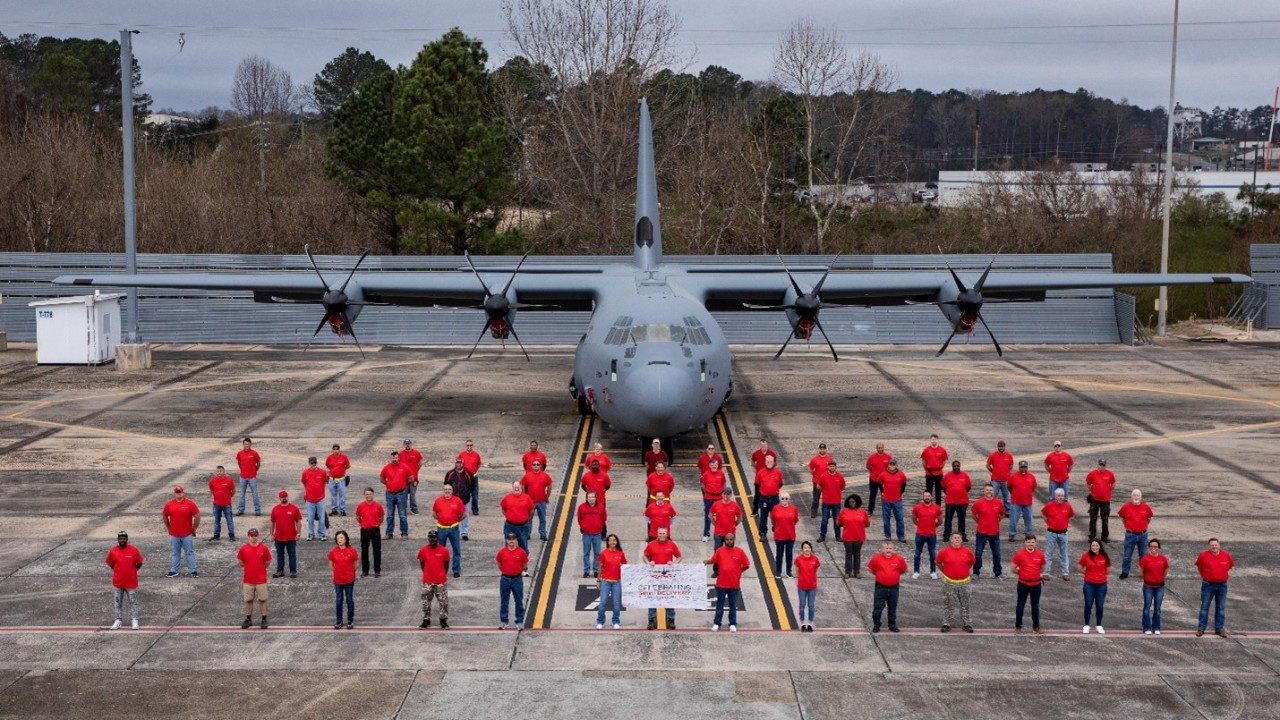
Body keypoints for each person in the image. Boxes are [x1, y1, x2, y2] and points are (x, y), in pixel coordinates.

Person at [707, 532, 750, 632]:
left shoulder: (740, 552)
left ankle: (732, 623)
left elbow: (747, 564)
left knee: (732, 605)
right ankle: (717, 623)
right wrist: (706, 562)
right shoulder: (720, 551)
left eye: (731, 539)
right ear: (724, 540)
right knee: (719, 605)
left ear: (734, 539)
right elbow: (713, 560)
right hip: (721, 584)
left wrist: (739, 572)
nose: (729, 541)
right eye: (727, 539)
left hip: (733, 584)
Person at [643, 527, 682, 629]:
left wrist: (673, 563)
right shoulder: (651, 544)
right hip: (654, 576)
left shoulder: (671, 544)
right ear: (657, 533)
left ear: (667, 533)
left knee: (669, 598)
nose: (662, 535)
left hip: (667, 577)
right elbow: (644, 556)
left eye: (664, 533)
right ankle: (651, 620)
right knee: (652, 598)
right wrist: (648, 563)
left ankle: (671, 619)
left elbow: (679, 557)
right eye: (660, 533)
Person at [936, 532, 976, 632]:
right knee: (948, 603)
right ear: (950, 540)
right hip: (949, 582)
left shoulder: (967, 552)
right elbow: (938, 562)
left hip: (964, 583)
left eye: (959, 538)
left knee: (966, 603)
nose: (957, 539)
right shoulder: (944, 552)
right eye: (954, 538)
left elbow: (971, 563)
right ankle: (946, 623)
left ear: (962, 540)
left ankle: (967, 624)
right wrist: (945, 571)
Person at [1195, 538, 1234, 637]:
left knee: (1220, 608)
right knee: (1204, 607)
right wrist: (1204, 577)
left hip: (1222, 585)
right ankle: (1201, 628)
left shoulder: (1226, 555)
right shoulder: (1203, 555)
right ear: (1209, 546)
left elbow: (1229, 566)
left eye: (1215, 545)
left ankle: (1219, 629)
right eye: (1212, 545)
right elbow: (1199, 567)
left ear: (1219, 545)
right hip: (1208, 585)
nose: (1214, 546)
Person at [105, 530, 143, 630]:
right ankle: (118, 620)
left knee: (133, 602)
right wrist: (118, 571)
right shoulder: (113, 551)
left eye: (124, 538)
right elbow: (110, 563)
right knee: (118, 602)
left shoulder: (133, 550)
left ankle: (135, 620)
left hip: (131, 582)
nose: (122, 540)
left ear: (127, 539)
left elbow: (139, 563)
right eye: (120, 538)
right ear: (118, 539)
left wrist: (132, 571)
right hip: (118, 582)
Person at [867, 540, 908, 632]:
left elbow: (904, 570)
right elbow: (870, 569)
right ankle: (876, 625)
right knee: (878, 608)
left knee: (892, 607)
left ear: (893, 549)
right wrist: (880, 576)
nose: (888, 550)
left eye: (890, 548)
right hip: (880, 588)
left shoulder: (899, 559)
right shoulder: (876, 558)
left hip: (894, 588)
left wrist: (893, 576)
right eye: (886, 548)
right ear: (883, 549)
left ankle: (892, 625)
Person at [1011, 535, 1047, 634]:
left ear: (1035, 543)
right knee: (1020, 605)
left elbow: (1043, 568)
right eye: (1029, 542)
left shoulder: (1040, 554)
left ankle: (1036, 627)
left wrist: (1034, 573)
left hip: (1036, 585)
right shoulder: (1019, 554)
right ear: (1025, 543)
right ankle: (1018, 626)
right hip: (1023, 584)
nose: (1030, 544)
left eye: (1032, 542)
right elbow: (1013, 568)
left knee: (1035, 606)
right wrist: (1023, 573)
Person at [236, 528, 271, 629]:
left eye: (255, 535)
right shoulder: (243, 549)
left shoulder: (264, 548)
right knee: (248, 600)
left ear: (258, 536)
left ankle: (264, 619)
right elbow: (240, 562)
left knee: (263, 599)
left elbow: (267, 562)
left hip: (261, 580)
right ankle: (248, 619)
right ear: (248, 536)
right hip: (248, 580)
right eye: (252, 535)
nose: (254, 537)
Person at [162, 486, 200, 578]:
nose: (179, 494)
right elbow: (164, 516)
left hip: (187, 534)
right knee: (175, 553)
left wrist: (194, 528)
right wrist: (169, 528)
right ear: (174, 494)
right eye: (177, 492)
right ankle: (174, 571)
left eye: (180, 492)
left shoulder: (190, 504)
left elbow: (197, 516)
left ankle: (193, 570)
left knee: (189, 552)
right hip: (174, 534)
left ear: (183, 493)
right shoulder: (169, 504)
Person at [1117, 489, 1154, 579]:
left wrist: (1143, 527)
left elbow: (1149, 518)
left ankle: (1144, 573)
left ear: (1141, 497)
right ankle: (1125, 572)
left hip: (1143, 535)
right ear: (1131, 497)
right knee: (1127, 555)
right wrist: (1128, 526)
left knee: (1144, 555)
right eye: (1134, 495)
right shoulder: (1126, 506)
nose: (1136, 497)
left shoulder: (1146, 507)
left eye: (1138, 495)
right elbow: (1122, 518)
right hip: (1130, 535)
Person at [970, 484, 1006, 579]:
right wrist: (979, 521)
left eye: (990, 490)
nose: (989, 492)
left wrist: (996, 521)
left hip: (994, 532)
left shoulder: (999, 502)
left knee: (997, 554)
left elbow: (1002, 514)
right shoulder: (978, 503)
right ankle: (976, 573)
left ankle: (998, 573)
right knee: (978, 554)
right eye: (987, 490)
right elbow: (973, 514)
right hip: (981, 532)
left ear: (993, 491)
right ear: (984, 491)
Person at [417, 529, 451, 629]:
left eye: (434, 537)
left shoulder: (444, 551)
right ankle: (426, 620)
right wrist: (428, 575)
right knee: (425, 602)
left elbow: (446, 566)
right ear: (428, 538)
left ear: (437, 538)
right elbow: (422, 564)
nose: (432, 539)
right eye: (430, 537)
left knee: (443, 602)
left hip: (440, 582)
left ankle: (443, 621)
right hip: (427, 581)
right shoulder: (423, 550)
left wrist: (441, 575)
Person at [432, 483, 466, 578]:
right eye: (446, 489)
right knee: (440, 551)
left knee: (456, 550)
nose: (447, 491)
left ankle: (456, 570)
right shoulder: (438, 501)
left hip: (454, 529)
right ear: (443, 490)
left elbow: (463, 514)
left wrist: (456, 521)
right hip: (441, 529)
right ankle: (441, 570)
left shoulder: (457, 500)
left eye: (449, 489)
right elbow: (434, 513)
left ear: (452, 491)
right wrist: (441, 520)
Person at [496, 533, 529, 629]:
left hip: (517, 579)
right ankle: (504, 621)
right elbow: (499, 563)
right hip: (505, 579)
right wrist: (505, 571)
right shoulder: (502, 552)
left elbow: (525, 564)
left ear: (516, 541)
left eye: (513, 539)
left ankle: (519, 621)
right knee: (504, 601)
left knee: (519, 601)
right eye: (509, 539)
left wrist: (518, 571)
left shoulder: (521, 552)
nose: (511, 541)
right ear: (506, 541)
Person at [1041, 487, 1075, 580]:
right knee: (1048, 553)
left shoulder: (1067, 506)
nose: (1061, 497)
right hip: (1051, 533)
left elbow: (1071, 516)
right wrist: (1048, 523)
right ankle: (1046, 573)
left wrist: (1065, 524)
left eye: (1062, 496)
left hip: (1063, 533)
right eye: (1059, 496)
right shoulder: (1049, 505)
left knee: (1064, 553)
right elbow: (1043, 514)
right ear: (1055, 496)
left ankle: (1065, 573)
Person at [1079, 538, 1111, 633]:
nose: (1094, 547)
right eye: (1093, 545)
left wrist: (1103, 576)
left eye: (1096, 545)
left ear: (1100, 546)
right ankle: (1086, 625)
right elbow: (1079, 566)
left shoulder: (1104, 556)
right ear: (1090, 546)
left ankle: (1099, 625)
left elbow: (1108, 568)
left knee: (1099, 605)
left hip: (1101, 585)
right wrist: (1085, 573)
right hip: (1089, 584)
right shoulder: (1086, 555)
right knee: (1088, 604)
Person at [328, 530, 358, 629]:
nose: (339, 540)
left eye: (341, 538)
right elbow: (331, 564)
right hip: (338, 580)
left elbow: (355, 564)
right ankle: (339, 620)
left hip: (349, 580)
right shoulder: (333, 551)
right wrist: (337, 572)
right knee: (339, 600)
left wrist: (350, 572)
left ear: (346, 538)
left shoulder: (352, 550)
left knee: (349, 600)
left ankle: (350, 620)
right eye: (338, 538)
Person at [1139, 538, 1169, 635]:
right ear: (1149, 548)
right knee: (1147, 608)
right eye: (1151, 546)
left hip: (1160, 587)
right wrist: (1147, 579)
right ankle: (1147, 627)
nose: (1153, 548)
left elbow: (1166, 569)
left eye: (1155, 546)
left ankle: (1156, 627)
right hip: (1148, 587)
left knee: (1157, 609)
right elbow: (1141, 571)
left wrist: (1160, 578)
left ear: (1159, 548)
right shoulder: (1145, 558)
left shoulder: (1163, 558)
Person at [269, 490, 302, 578]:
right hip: (278, 537)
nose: (284, 498)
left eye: (285, 497)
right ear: (279, 498)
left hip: (291, 537)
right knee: (279, 555)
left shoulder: (294, 508)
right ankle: (280, 571)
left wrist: (298, 533)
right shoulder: (275, 509)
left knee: (292, 555)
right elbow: (272, 522)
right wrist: (271, 534)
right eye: (282, 497)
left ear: (287, 497)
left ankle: (293, 571)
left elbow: (298, 521)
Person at [836, 494, 870, 578]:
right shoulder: (843, 511)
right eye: (850, 501)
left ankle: (856, 572)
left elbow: (867, 524)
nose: (852, 503)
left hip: (859, 537)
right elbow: (839, 523)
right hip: (847, 537)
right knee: (848, 554)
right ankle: (847, 572)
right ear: (848, 502)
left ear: (857, 502)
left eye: (854, 501)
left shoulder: (863, 512)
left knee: (857, 554)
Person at [596, 534, 625, 629]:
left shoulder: (620, 553)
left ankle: (616, 621)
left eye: (614, 540)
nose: (612, 542)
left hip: (617, 582)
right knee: (602, 603)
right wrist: (598, 580)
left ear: (617, 542)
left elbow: (625, 566)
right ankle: (600, 621)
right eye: (611, 540)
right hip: (606, 582)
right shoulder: (603, 553)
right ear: (607, 542)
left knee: (616, 604)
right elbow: (600, 567)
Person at [911, 491, 942, 580]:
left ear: (931, 497)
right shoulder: (917, 507)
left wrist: (933, 526)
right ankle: (916, 572)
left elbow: (940, 521)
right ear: (923, 497)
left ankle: (933, 572)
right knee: (917, 554)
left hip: (931, 535)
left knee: (932, 554)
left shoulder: (936, 508)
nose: (927, 497)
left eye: (928, 496)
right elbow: (914, 518)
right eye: (925, 496)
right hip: (920, 534)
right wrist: (919, 525)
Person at [379, 451, 411, 539]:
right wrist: (388, 484)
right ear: (391, 458)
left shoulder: (404, 467)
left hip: (401, 493)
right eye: (393, 458)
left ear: (398, 458)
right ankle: (389, 533)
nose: (395, 459)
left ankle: (404, 533)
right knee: (389, 515)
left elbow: (411, 478)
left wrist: (403, 484)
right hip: (390, 494)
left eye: (396, 458)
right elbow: (381, 478)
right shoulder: (386, 468)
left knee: (402, 514)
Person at [501, 481, 536, 557]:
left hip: (523, 526)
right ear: (512, 488)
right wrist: (511, 517)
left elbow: (531, 511)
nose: (516, 488)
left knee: (523, 544)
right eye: (515, 487)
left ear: (521, 487)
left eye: (518, 487)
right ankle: (509, 560)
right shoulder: (507, 498)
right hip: (510, 526)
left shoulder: (527, 498)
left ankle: (523, 562)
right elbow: (503, 510)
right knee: (509, 544)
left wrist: (526, 520)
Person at [521, 460, 554, 541]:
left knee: (542, 519)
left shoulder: (545, 476)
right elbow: (523, 486)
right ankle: (528, 533)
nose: (536, 466)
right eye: (534, 464)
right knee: (529, 518)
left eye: (537, 464)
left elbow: (550, 486)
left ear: (540, 466)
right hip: (530, 502)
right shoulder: (527, 476)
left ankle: (543, 534)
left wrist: (547, 496)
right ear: (532, 466)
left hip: (541, 501)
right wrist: (525, 498)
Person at [1084, 459, 1115, 543]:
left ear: (1105, 466)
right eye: (1100, 465)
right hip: (1094, 500)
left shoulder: (1110, 474)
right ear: (1098, 465)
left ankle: (1104, 536)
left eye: (1103, 465)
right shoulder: (1092, 474)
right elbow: (1088, 483)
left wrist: (1107, 492)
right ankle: (1092, 536)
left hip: (1105, 501)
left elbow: (1113, 484)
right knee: (1093, 519)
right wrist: (1093, 491)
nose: (1102, 466)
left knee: (1105, 520)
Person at [355, 487, 384, 577]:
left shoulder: (378, 505)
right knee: (364, 551)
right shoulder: (360, 506)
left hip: (375, 530)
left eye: (370, 494)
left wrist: (376, 524)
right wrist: (363, 524)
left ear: (373, 494)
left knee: (377, 551)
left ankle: (377, 570)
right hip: (364, 530)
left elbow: (381, 517)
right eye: (366, 494)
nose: (368, 496)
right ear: (364, 495)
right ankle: (365, 570)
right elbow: (358, 517)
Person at [443, 460, 475, 540]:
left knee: (465, 516)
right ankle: (452, 532)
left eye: (460, 463)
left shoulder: (468, 473)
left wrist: (468, 493)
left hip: (465, 499)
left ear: (462, 463)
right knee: (452, 515)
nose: (458, 464)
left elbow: (473, 485)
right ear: (455, 463)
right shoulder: (450, 474)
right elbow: (446, 485)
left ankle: (464, 533)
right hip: (453, 500)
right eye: (457, 463)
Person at [941, 460, 972, 542]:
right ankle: (946, 535)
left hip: (962, 502)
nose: (956, 467)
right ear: (952, 466)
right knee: (948, 520)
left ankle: (962, 535)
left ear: (960, 466)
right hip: (950, 502)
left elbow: (968, 487)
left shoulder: (965, 475)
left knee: (962, 520)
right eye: (954, 466)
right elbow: (943, 487)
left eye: (957, 466)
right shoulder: (947, 476)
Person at [578, 491, 606, 578]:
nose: (591, 499)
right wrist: (583, 527)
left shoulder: (601, 507)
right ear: (586, 498)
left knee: (597, 553)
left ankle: (596, 570)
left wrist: (599, 527)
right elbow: (579, 518)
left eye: (592, 497)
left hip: (597, 534)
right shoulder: (582, 507)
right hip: (586, 534)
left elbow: (604, 518)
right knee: (586, 553)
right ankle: (586, 570)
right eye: (589, 497)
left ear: (595, 498)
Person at [770, 493, 800, 578]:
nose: (784, 500)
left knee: (789, 554)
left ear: (789, 499)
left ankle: (788, 571)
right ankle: (778, 571)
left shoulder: (794, 508)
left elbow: (795, 520)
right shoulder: (775, 508)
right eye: (782, 498)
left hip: (790, 536)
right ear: (780, 499)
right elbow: (773, 519)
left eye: (786, 498)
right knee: (779, 554)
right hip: (779, 536)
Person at [878, 461, 909, 542]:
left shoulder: (901, 474)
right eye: (890, 464)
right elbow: (879, 482)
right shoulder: (883, 474)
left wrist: (900, 493)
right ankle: (887, 536)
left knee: (900, 518)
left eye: (893, 464)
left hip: (897, 500)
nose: (892, 466)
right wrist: (882, 491)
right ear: (888, 465)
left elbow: (904, 483)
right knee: (886, 519)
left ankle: (901, 536)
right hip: (886, 500)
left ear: (896, 465)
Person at [755, 454, 784, 540]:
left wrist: (773, 490)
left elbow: (780, 484)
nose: (769, 463)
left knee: (776, 516)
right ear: (765, 462)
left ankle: (776, 529)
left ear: (774, 462)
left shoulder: (778, 472)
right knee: (763, 516)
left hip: (774, 498)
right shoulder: (760, 472)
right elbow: (757, 484)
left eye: (771, 461)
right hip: (764, 498)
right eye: (768, 461)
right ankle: (763, 533)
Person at [1007, 461, 1037, 542]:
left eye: (1025, 467)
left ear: (1027, 468)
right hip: (1016, 502)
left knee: (1029, 519)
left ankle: (1028, 534)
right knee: (1013, 519)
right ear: (1019, 467)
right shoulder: (1013, 476)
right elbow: (1009, 487)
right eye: (1022, 467)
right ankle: (1012, 535)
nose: (1023, 469)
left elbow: (1033, 487)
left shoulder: (1031, 477)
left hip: (1028, 503)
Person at [816, 461, 846, 542]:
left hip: (836, 503)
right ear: (828, 467)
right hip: (826, 503)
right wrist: (825, 492)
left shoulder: (840, 476)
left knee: (837, 520)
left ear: (835, 467)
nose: (832, 467)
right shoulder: (823, 476)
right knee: (824, 520)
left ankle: (838, 536)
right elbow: (818, 486)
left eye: (833, 466)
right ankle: (822, 536)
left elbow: (843, 487)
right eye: (830, 466)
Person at [300, 456, 329, 541]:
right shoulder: (305, 473)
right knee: (310, 518)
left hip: (320, 499)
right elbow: (304, 482)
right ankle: (310, 534)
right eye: (312, 463)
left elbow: (325, 481)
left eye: (315, 463)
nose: (313, 465)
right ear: (309, 464)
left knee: (322, 517)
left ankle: (322, 534)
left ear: (316, 463)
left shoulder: (322, 472)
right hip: (309, 500)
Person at [795, 541, 821, 632]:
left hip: (812, 587)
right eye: (805, 547)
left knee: (811, 605)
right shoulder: (798, 559)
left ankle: (810, 623)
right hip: (802, 586)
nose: (807, 549)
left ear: (811, 549)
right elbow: (797, 571)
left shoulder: (815, 559)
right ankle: (802, 623)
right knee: (802, 605)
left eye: (808, 547)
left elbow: (816, 569)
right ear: (802, 549)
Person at [700, 458, 727, 541]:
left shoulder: (721, 474)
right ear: (709, 465)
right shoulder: (706, 474)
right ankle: (706, 534)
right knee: (708, 516)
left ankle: (720, 533)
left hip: (719, 498)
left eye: (715, 464)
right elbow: (703, 485)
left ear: (717, 465)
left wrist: (723, 494)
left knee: (721, 516)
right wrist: (707, 493)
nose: (714, 466)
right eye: (712, 465)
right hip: (709, 498)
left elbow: (724, 483)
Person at [207, 465, 236, 541]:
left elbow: (233, 490)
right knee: (217, 521)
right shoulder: (212, 481)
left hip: (227, 505)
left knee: (229, 520)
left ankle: (231, 535)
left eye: (221, 471)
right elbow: (211, 489)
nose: (219, 473)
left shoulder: (229, 480)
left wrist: (229, 497)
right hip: (216, 505)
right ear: (215, 472)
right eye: (218, 471)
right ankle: (216, 535)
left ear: (224, 472)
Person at [235, 437, 262, 516]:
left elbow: (258, 463)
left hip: (252, 477)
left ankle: (257, 510)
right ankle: (241, 510)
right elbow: (239, 463)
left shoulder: (254, 453)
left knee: (255, 494)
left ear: (250, 444)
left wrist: (255, 471)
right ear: (243, 444)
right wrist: (242, 470)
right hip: (243, 477)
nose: (246, 445)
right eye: (245, 444)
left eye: (248, 444)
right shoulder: (240, 453)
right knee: (241, 495)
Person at [865, 443, 893, 515]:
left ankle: (887, 511)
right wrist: (873, 472)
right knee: (872, 495)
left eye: (881, 448)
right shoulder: (872, 457)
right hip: (873, 479)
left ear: (883, 448)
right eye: (879, 448)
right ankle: (870, 510)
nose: (880, 449)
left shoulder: (888, 457)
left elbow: (891, 467)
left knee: (885, 496)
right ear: (876, 448)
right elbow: (867, 466)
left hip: (884, 480)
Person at [750, 439, 777, 514]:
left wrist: (771, 468)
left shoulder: (772, 453)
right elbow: (752, 461)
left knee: (768, 496)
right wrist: (757, 467)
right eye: (762, 445)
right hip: (759, 479)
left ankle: (769, 510)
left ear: (767, 445)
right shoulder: (756, 453)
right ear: (760, 445)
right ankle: (755, 511)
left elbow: (775, 462)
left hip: (768, 479)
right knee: (757, 496)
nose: (764, 447)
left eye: (765, 445)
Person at [457, 439, 483, 515]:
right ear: (466, 446)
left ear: (472, 446)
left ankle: (475, 509)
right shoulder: (461, 455)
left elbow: (478, 464)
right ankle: (462, 509)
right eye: (468, 445)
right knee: (463, 493)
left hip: (474, 477)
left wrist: (475, 471)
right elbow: (458, 464)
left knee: (475, 494)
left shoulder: (476, 455)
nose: (469, 447)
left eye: (470, 445)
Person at [807, 443, 833, 518]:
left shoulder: (829, 459)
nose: (822, 450)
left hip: (826, 482)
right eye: (821, 449)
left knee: (827, 498)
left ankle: (827, 512)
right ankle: (814, 512)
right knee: (816, 498)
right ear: (819, 449)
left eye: (824, 449)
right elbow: (809, 467)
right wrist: (813, 474)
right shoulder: (815, 459)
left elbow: (832, 468)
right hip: (817, 482)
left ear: (826, 449)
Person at [920, 434, 948, 505]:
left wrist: (940, 468)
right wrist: (926, 471)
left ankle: (938, 507)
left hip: (939, 473)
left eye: (935, 439)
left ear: (937, 440)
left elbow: (944, 460)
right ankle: (929, 505)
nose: (933, 441)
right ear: (930, 440)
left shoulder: (942, 450)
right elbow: (923, 461)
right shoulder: (926, 450)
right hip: (929, 473)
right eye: (932, 439)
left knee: (938, 491)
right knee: (929, 491)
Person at [325, 444, 351, 517]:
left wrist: (343, 470)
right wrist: (333, 471)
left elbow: (348, 465)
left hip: (341, 480)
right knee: (333, 496)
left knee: (342, 495)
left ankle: (342, 510)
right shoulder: (329, 458)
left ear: (339, 450)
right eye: (334, 449)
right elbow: (327, 465)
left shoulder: (344, 457)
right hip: (332, 480)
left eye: (337, 449)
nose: (336, 450)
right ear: (332, 450)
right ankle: (334, 510)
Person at [985, 440, 1014, 507]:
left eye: (1002, 447)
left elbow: (1011, 465)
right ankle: (992, 508)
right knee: (993, 496)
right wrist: (993, 471)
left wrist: (1007, 472)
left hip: (1006, 480)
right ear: (997, 447)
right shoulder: (993, 455)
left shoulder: (1009, 456)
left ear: (1005, 447)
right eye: (1000, 447)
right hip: (995, 480)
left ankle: (1008, 510)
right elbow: (987, 465)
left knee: (1007, 497)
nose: (1001, 448)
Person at [400, 438, 423, 515]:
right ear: (404, 445)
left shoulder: (416, 453)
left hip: (414, 479)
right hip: (404, 479)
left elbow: (420, 463)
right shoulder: (400, 454)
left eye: (408, 443)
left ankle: (414, 509)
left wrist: (415, 471)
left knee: (412, 495)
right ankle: (403, 509)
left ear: (411, 444)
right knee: (404, 494)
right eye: (406, 444)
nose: (407, 445)